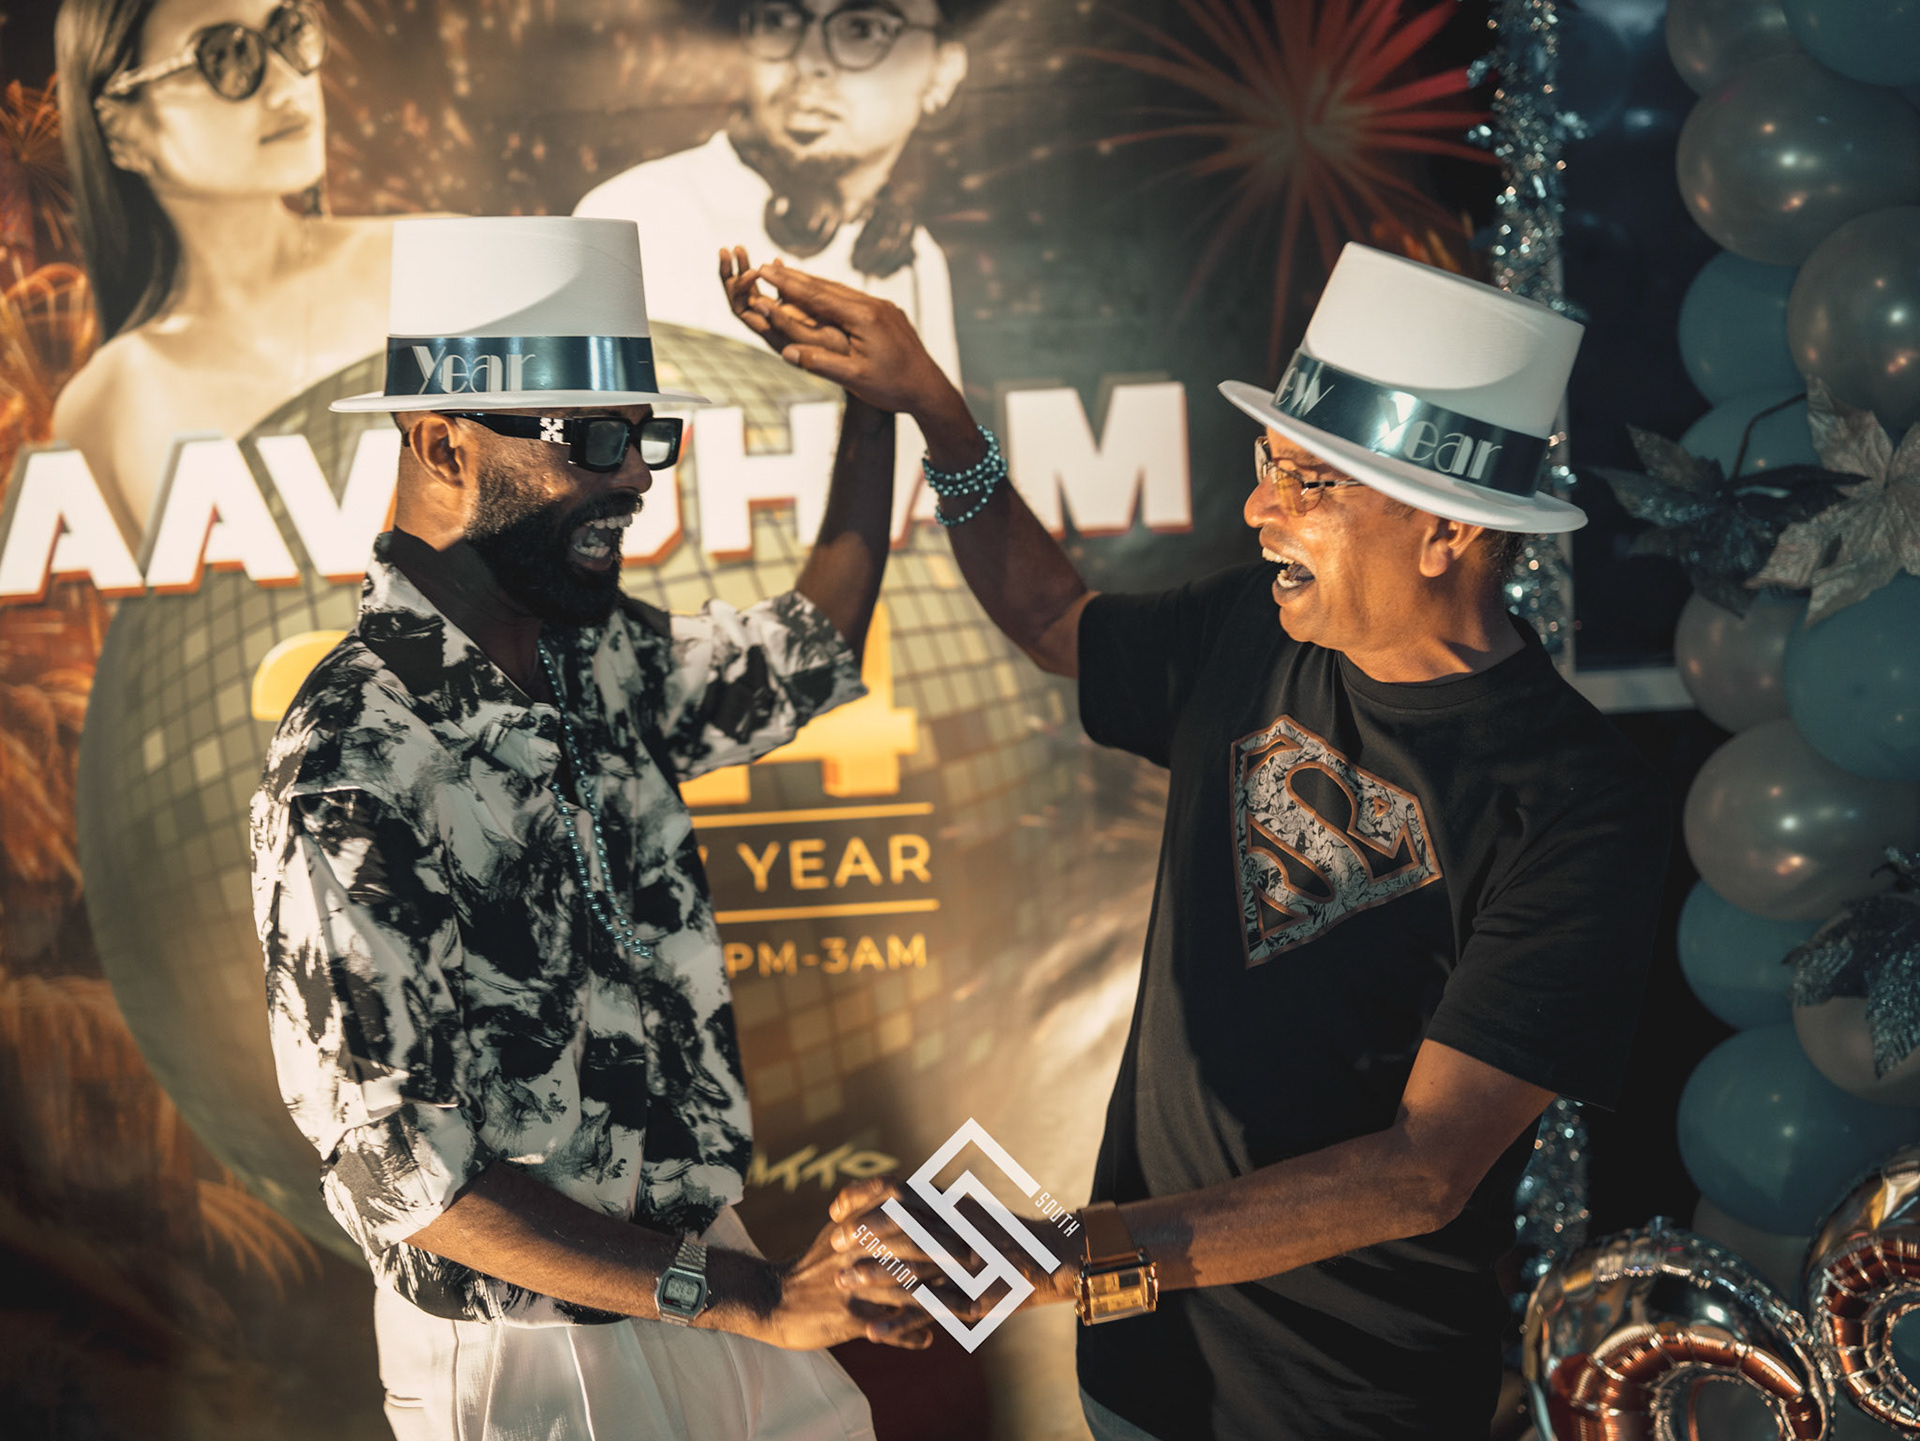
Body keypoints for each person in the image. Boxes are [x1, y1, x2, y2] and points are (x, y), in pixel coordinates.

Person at [727, 244, 1671, 1438]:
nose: (1259, 509)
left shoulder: (1581, 803)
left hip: (1346, 1406)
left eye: (1311, 482)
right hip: (1140, 1376)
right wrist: (937, 411)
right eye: (1269, 465)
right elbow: (1054, 620)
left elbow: (1424, 1168)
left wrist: (1068, 1254)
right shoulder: (1253, 629)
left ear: (1444, 530)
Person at [250, 217, 950, 1441]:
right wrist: (745, 1298)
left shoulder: (587, 656)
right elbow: (405, 1177)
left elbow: (802, 658)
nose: (635, 477)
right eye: (594, 439)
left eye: (644, 436)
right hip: (532, 1356)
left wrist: (873, 403)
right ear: (442, 441)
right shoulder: (356, 755)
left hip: (702, 1280)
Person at [575, 0, 989, 527]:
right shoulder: (636, 215)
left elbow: (925, 490)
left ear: (943, 71)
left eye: (863, 29)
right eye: (779, 21)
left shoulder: (916, 256)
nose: (809, 62)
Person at [54, 0, 395, 541]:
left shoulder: (432, 263)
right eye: (226, 57)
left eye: (291, 32)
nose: (286, 84)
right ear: (122, 128)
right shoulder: (107, 406)